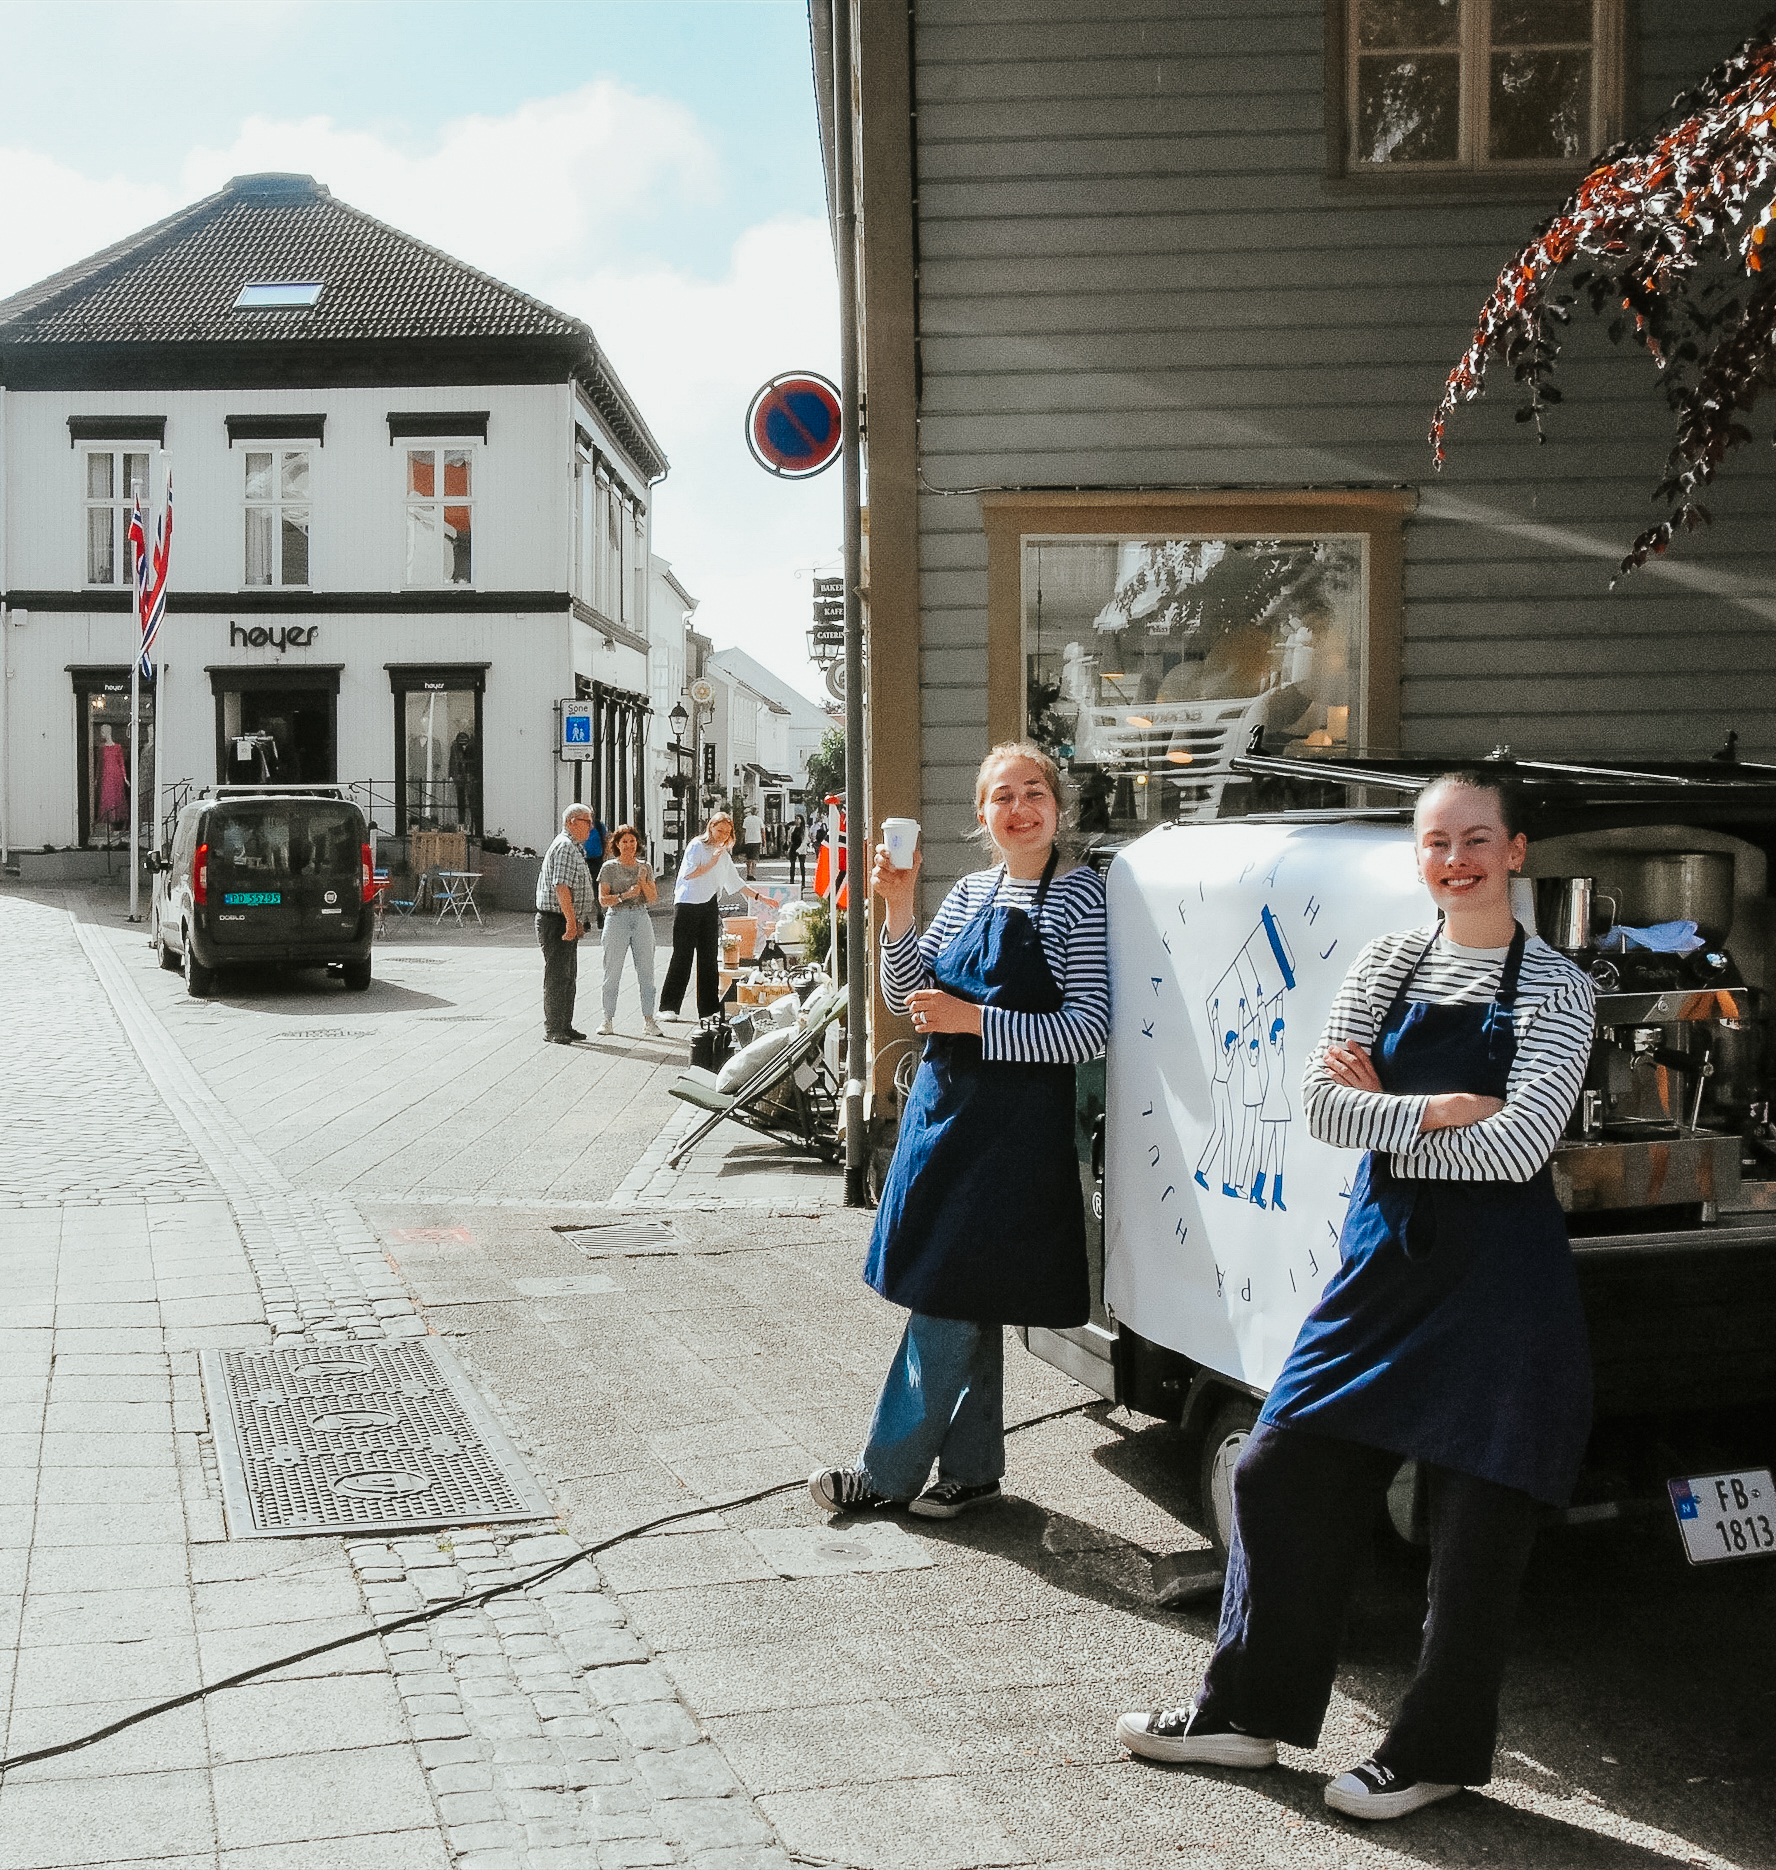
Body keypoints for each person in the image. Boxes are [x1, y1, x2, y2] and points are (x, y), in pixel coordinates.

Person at [1117, 769, 1598, 1824]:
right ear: (1416, 857)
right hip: (1379, 1274)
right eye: (1436, 842)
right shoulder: (1386, 960)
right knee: (1281, 1468)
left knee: (1474, 1531)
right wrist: (1438, 1112)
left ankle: (1429, 1751)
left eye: (1477, 840)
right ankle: (1243, 1713)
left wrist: (1394, 1107)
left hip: (1496, 1292)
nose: (1455, 859)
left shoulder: (1559, 989)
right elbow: (1322, 1111)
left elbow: (1519, 1147)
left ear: (1514, 852)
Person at [809, 742, 1109, 1520]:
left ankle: (885, 1473)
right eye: (1001, 796)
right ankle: (972, 1470)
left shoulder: (1081, 897)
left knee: (944, 1294)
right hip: (943, 1121)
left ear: (1058, 806)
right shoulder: (973, 892)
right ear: (981, 815)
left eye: (1033, 792)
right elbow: (908, 993)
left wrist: (974, 1020)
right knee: (967, 1293)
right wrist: (898, 907)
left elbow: (1088, 1030)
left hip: (1012, 1135)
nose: (1020, 808)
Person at [659, 810, 743, 1024]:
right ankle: (668, 1006)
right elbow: (689, 873)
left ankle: (709, 1009)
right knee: (682, 955)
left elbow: (735, 882)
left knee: (708, 957)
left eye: (727, 832)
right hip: (688, 903)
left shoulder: (724, 852)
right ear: (710, 827)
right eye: (719, 830)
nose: (722, 835)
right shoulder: (697, 845)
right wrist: (711, 862)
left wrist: (761, 897)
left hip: (708, 903)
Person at [535, 805, 595, 1045]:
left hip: (565, 919)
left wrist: (578, 920)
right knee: (557, 976)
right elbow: (562, 887)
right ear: (571, 821)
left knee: (568, 976)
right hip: (556, 920)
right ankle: (553, 1028)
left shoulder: (575, 847)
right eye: (586, 821)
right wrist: (571, 921)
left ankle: (564, 1024)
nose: (591, 826)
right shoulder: (565, 846)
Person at [597, 825, 664, 1038]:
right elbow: (602, 899)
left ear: (638, 844)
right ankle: (607, 1019)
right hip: (616, 917)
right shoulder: (609, 867)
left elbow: (652, 898)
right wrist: (624, 895)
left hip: (640, 916)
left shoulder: (645, 866)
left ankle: (649, 1020)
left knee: (647, 970)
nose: (629, 846)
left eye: (632, 842)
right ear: (617, 844)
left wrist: (643, 881)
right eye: (624, 842)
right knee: (612, 971)